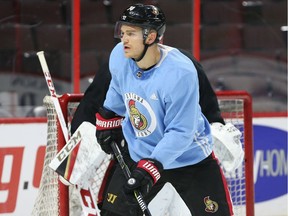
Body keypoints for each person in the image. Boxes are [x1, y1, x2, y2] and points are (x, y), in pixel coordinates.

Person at [94, 3, 234, 216]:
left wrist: (152, 166)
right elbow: (118, 87)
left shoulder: (180, 73)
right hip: (139, 153)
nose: (124, 39)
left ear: (150, 37)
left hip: (189, 159)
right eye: (122, 32)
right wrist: (109, 117)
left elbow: (181, 132)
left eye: (131, 33)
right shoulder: (120, 56)